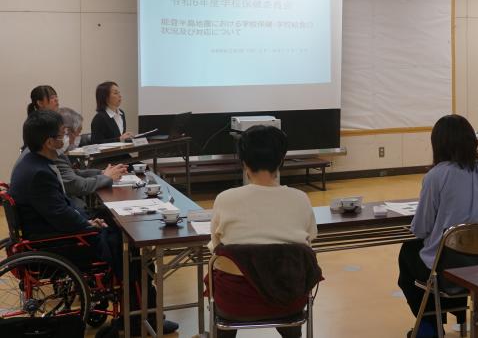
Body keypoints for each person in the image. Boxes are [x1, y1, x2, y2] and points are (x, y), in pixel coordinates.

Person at [9, 110, 178, 334]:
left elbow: (60, 210)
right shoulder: (39, 173)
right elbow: (61, 215)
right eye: (62, 134)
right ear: (49, 142)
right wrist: (88, 224)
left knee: (116, 226)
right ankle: (142, 318)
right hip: (56, 243)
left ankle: (139, 313)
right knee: (130, 248)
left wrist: (87, 220)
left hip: (47, 235)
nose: (65, 138)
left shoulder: (34, 162)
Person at [398, 115, 478, 338]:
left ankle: (429, 326)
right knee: (445, 257)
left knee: (409, 254)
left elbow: (421, 228)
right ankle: (451, 316)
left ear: (438, 144)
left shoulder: (437, 175)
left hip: (449, 268)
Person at [209, 125, 319, 338]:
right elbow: (308, 242)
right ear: (281, 160)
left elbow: (216, 246)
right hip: (288, 302)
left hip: (235, 303)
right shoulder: (300, 199)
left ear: (244, 162)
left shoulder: (225, 199)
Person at [57, 107, 127, 211]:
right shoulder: (55, 155)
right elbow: (79, 186)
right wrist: (106, 177)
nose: (78, 137)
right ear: (66, 132)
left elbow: (73, 173)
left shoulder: (59, 154)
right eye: (78, 133)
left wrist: (101, 172)